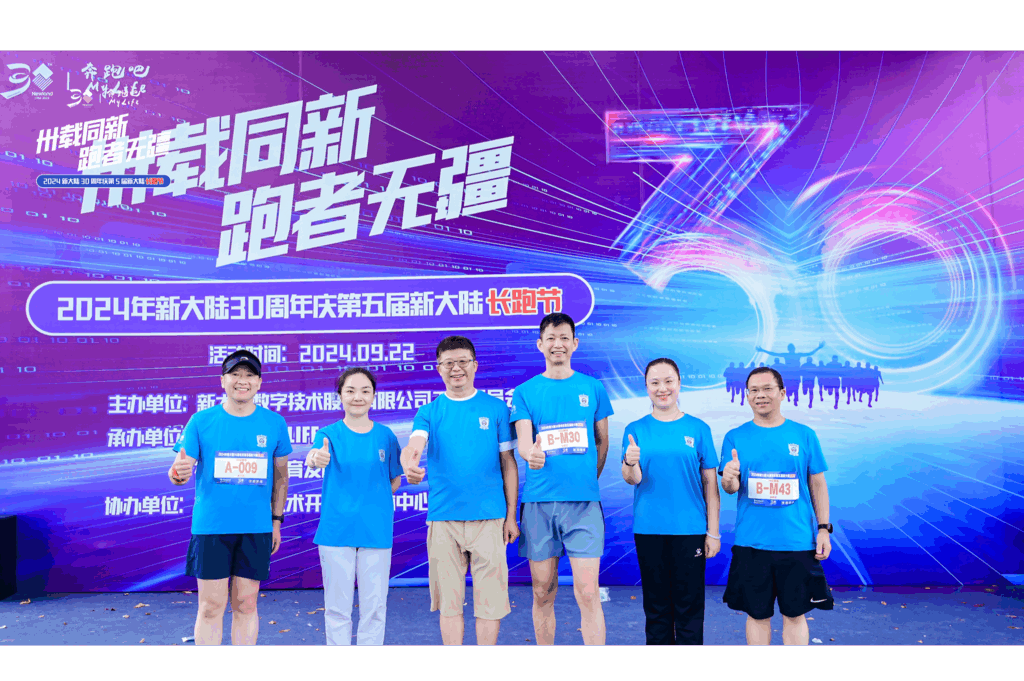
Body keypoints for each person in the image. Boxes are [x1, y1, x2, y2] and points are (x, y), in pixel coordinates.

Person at [400, 336, 519, 645]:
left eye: (463, 361)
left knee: (490, 603)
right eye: (448, 363)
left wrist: (511, 516)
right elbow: (414, 445)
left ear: (474, 365)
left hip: (490, 519)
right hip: (444, 520)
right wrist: (409, 464)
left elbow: (508, 462)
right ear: (438, 368)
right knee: (449, 604)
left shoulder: (496, 409)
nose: (456, 369)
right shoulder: (429, 412)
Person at [168, 350, 291, 646]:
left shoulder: (274, 423)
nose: (242, 381)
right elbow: (180, 471)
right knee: (211, 607)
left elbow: (281, 477)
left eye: (249, 375)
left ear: (259, 383)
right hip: (212, 527)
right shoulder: (201, 421)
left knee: (246, 604)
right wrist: (178, 474)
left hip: (256, 528)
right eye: (235, 374)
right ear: (223, 380)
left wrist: (276, 521)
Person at [511, 312, 613, 645]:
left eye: (564, 338)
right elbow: (524, 442)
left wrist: (587, 480)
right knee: (543, 590)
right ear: (540, 345)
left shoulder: (593, 388)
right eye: (551, 338)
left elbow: (602, 441)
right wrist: (531, 454)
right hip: (538, 505)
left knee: (588, 591)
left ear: (575, 343)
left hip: (584, 505)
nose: (558, 344)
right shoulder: (525, 392)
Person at [719, 366, 834, 645]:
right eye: (754, 390)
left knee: (795, 615)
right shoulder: (735, 437)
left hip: (796, 542)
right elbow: (730, 488)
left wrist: (823, 529)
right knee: (757, 615)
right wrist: (730, 477)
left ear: (782, 393)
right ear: (747, 396)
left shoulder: (804, 435)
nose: (760, 395)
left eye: (767, 389)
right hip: (752, 543)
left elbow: (818, 484)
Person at [621, 358, 720, 645]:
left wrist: (713, 532)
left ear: (679, 384)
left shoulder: (698, 428)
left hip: (690, 530)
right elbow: (632, 478)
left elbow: (710, 485)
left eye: (668, 381)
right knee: (656, 609)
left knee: (690, 609)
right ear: (646, 387)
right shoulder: (636, 429)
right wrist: (630, 461)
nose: (662, 388)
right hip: (649, 530)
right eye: (655, 383)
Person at [305, 367, 402, 645]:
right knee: (337, 608)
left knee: (375, 608)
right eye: (350, 390)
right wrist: (315, 458)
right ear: (340, 395)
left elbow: (394, 479)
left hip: (376, 530)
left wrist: (372, 497)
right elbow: (314, 456)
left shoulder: (385, 436)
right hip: (337, 531)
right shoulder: (328, 434)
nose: (357, 397)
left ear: (373, 396)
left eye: (365, 391)